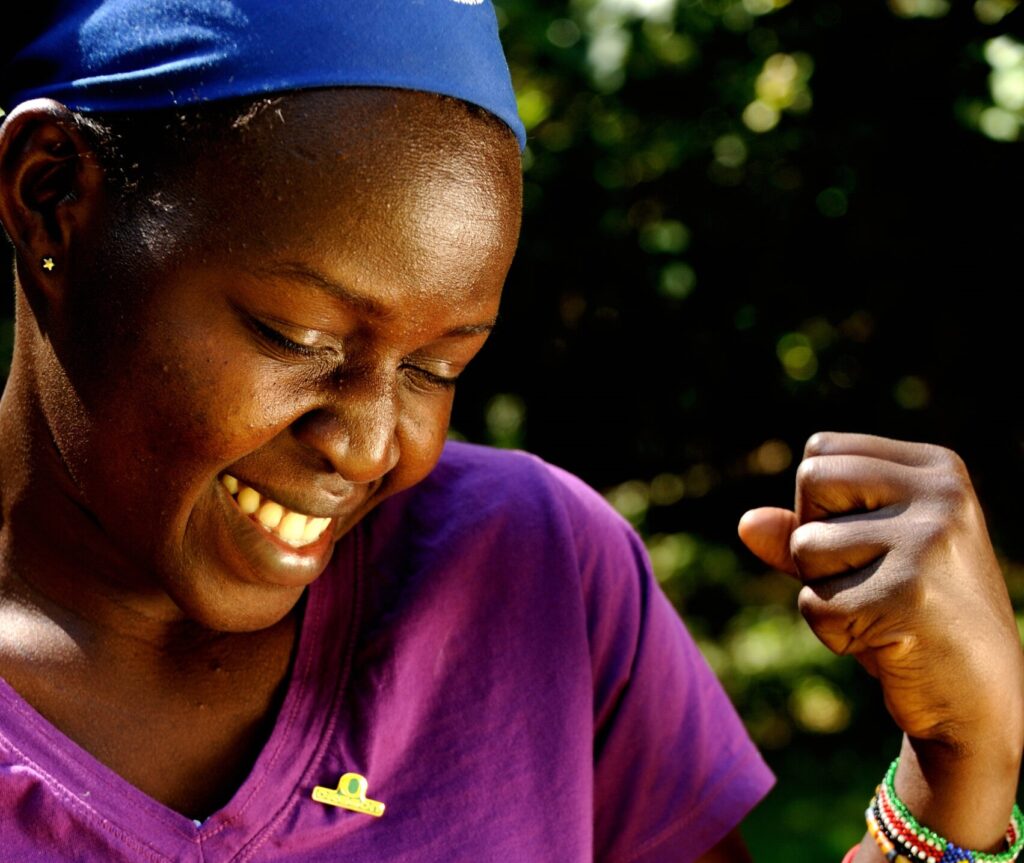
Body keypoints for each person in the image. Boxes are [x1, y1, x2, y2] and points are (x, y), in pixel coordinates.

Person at [0, 2, 1019, 861]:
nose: (366, 443)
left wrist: (957, 760)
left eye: (437, 366)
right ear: (50, 195)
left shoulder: (534, 578)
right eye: (293, 334)